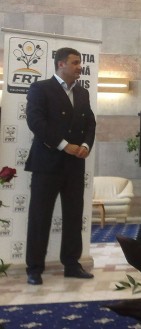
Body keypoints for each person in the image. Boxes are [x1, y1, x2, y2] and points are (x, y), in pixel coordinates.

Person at [24, 47, 97, 285]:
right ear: (61, 64)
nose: (80, 67)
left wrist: (85, 145)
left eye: (80, 63)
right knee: (40, 217)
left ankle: (72, 264)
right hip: (47, 164)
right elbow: (36, 122)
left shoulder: (83, 93)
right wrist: (64, 145)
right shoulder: (40, 89)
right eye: (75, 63)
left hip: (75, 166)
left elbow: (90, 124)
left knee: (74, 216)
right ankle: (34, 268)